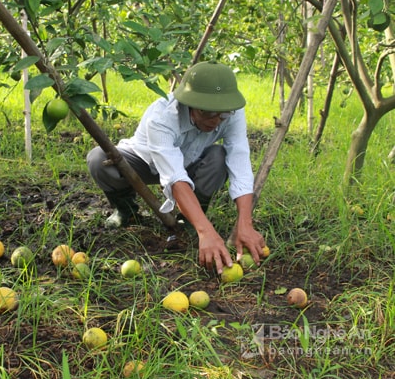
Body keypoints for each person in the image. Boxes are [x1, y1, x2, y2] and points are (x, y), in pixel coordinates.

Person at [86, 61, 266, 274]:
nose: (216, 120)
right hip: (144, 163)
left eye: (222, 114)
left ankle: (187, 220)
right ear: (190, 104)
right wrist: (207, 231)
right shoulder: (162, 117)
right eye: (208, 113)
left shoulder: (230, 112)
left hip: (191, 161)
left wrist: (245, 223)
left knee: (219, 156)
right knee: (99, 158)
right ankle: (127, 211)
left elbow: (239, 159)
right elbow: (174, 176)